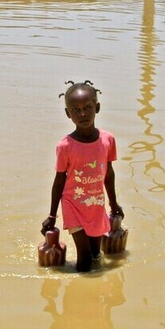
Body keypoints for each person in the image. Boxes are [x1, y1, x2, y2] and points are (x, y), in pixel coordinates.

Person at [41, 80, 124, 272]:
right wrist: (52, 215)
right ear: (68, 113)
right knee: (85, 258)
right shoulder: (65, 147)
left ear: (97, 107)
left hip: (96, 204)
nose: (83, 114)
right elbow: (59, 181)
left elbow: (108, 174)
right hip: (73, 205)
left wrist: (114, 203)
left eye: (87, 108)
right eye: (76, 110)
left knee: (96, 254)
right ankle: (80, 297)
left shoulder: (107, 140)